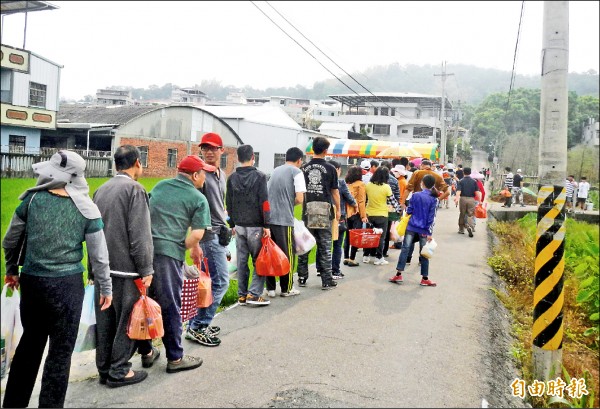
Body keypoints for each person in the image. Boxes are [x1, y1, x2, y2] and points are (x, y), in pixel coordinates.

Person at [2, 150, 113, 407]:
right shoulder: (88, 209)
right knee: (60, 355)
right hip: (68, 287)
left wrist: (12, 270)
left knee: (29, 347)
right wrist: (105, 288)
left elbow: (10, 241)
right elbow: (99, 256)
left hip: (33, 283)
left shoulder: (30, 201)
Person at [92, 145, 157, 388]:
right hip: (126, 270)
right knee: (128, 321)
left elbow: (92, 231)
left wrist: (92, 268)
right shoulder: (135, 190)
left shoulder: (100, 189)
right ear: (137, 163)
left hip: (103, 270)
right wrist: (147, 269)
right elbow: (140, 235)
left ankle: (104, 369)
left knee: (105, 322)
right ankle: (119, 370)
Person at [148, 155, 213, 371]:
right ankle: (175, 358)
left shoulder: (160, 186)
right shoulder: (198, 197)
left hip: (144, 251)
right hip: (168, 256)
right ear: (195, 175)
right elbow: (196, 233)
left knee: (145, 303)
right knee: (170, 304)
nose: (205, 177)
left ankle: (147, 351)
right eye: (204, 173)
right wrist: (180, 245)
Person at [187, 132, 230, 347]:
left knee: (210, 282)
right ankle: (198, 326)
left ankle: (196, 323)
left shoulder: (221, 174)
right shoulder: (199, 174)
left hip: (219, 233)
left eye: (213, 148)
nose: (209, 152)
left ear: (222, 151)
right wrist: (194, 243)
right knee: (221, 281)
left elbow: (217, 205)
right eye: (205, 148)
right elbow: (193, 206)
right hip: (208, 235)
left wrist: (226, 223)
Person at [226, 145, 272, 306]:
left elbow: (229, 203)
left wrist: (231, 223)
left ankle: (242, 295)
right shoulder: (260, 177)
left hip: (239, 226)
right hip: (256, 226)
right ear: (253, 157)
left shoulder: (231, 178)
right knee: (259, 260)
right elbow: (265, 203)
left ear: (238, 158)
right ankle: (254, 294)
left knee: (242, 262)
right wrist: (267, 224)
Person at [297, 136, 341, 290]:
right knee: (324, 246)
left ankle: (302, 277)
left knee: (305, 244)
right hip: (324, 210)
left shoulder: (303, 168)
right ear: (325, 150)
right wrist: (339, 210)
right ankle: (326, 279)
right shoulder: (330, 168)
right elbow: (335, 192)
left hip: (307, 210)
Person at [265, 147, 306, 297]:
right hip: (284, 220)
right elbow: (300, 198)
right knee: (287, 254)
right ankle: (286, 288)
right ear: (299, 160)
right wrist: (289, 203)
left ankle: (270, 288)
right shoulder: (297, 172)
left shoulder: (275, 170)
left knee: (270, 253)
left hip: (268, 220)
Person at [389, 174, 439, 287]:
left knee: (405, 249)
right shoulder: (434, 199)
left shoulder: (415, 195)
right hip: (424, 230)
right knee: (424, 252)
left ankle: (398, 274)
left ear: (423, 184)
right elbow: (432, 217)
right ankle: (425, 278)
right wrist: (429, 233)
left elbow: (410, 210)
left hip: (411, 226)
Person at [363, 167, 402, 265]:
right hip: (382, 215)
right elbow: (393, 201)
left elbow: (365, 199)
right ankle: (378, 257)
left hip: (369, 214)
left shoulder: (368, 185)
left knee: (369, 235)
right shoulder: (386, 187)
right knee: (381, 237)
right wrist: (399, 210)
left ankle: (366, 256)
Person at [329, 159, 357, 279]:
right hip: (338, 217)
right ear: (337, 170)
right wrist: (355, 205)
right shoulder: (340, 183)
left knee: (323, 244)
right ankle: (335, 270)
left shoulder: (324, 182)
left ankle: (321, 269)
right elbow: (349, 198)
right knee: (337, 244)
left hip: (325, 216)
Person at [343, 165, 369, 266]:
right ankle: (352, 258)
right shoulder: (360, 184)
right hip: (356, 212)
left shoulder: (347, 184)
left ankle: (345, 257)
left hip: (346, 212)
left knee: (348, 235)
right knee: (355, 235)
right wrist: (363, 216)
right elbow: (361, 201)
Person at [380, 161, 400, 258]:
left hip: (377, 208)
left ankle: (373, 250)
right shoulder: (394, 180)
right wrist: (398, 209)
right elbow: (397, 196)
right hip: (390, 208)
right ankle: (384, 251)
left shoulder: (375, 180)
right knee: (387, 230)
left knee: (376, 229)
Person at [454, 167, 481, 238]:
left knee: (462, 214)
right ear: (470, 173)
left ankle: (461, 229)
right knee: (470, 214)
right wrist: (480, 200)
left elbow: (458, 191)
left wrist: (456, 199)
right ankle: (470, 226)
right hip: (471, 199)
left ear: (463, 172)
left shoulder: (461, 181)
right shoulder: (474, 181)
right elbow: (477, 192)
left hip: (463, 199)